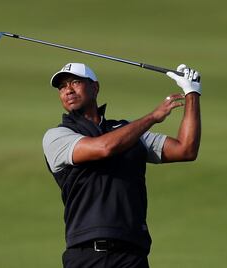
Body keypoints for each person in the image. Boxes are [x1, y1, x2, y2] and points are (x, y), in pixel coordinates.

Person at [42, 62, 201, 268]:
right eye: (62, 87)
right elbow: (104, 148)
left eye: (75, 82)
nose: (68, 90)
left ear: (95, 87)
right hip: (87, 255)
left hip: (132, 255)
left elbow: (185, 149)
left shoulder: (128, 132)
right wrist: (153, 117)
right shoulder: (57, 136)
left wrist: (192, 93)